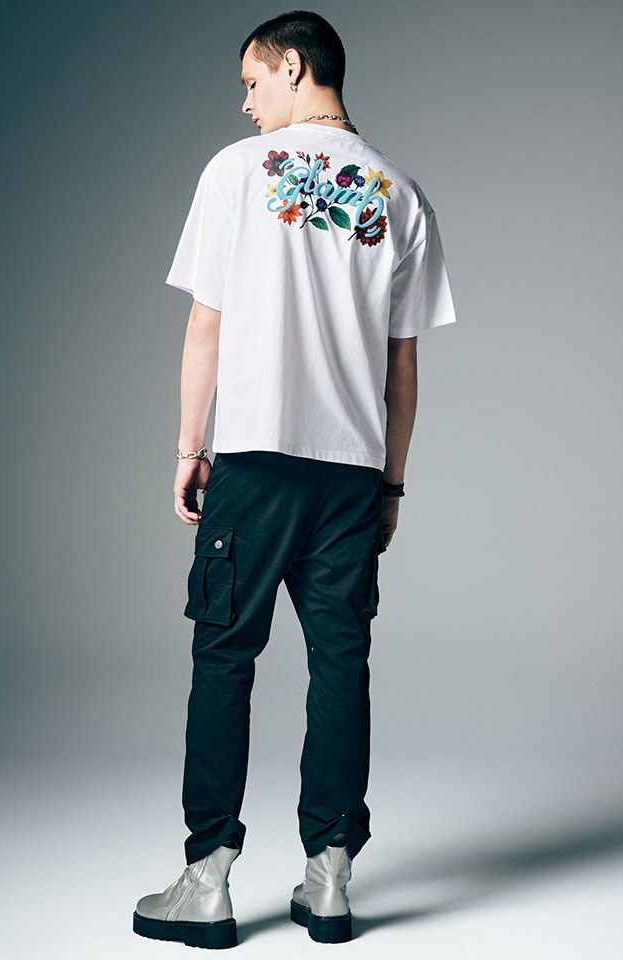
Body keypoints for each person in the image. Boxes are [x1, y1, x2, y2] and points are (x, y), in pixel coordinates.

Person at [133, 9, 457, 949]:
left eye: (251, 81)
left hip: (256, 459)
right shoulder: (402, 193)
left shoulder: (236, 173)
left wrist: (189, 449)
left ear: (293, 65)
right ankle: (330, 876)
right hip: (351, 470)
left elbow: (206, 325)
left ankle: (207, 879)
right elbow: (403, 368)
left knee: (224, 657)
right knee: (340, 663)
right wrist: (391, 485)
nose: (245, 104)